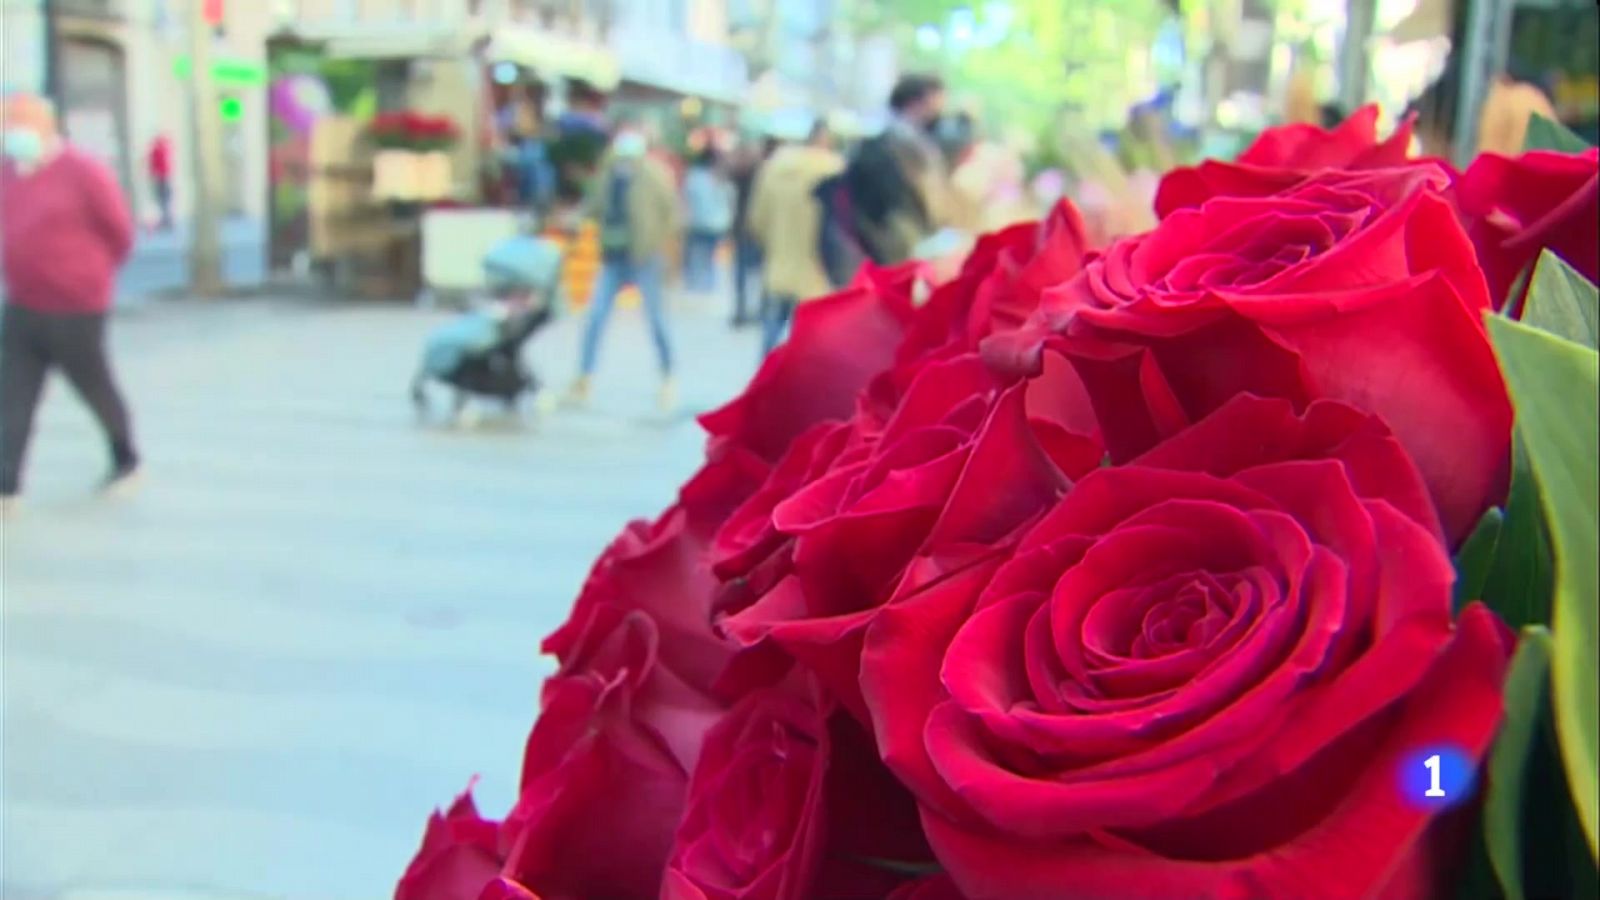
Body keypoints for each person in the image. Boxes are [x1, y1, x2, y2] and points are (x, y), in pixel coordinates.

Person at [1, 93, 140, 513]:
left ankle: (126, 459)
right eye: (8, 124)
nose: (12, 132)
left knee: (93, 385)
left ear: (47, 128)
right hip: (23, 303)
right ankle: (7, 485)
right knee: (12, 394)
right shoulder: (7, 174)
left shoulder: (83, 172)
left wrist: (89, 276)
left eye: (20, 124)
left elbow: (119, 232)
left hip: (76, 306)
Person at [566, 122, 681, 411]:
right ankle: (584, 376)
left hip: (644, 257)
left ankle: (668, 377)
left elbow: (672, 214)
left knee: (656, 320)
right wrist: (573, 221)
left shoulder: (655, 176)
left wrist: (659, 247)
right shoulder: (607, 177)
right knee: (596, 317)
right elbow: (593, 207)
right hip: (613, 256)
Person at [816, 73, 950, 286]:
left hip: (895, 254)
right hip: (887, 256)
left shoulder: (910, 145)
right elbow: (885, 215)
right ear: (916, 102)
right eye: (935, 102)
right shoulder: (888, 149)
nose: (940, 110)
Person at [748, 119, 845, 353]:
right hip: (818, 272)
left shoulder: (775, 167)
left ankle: (765, 385)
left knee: (771, 334)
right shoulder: (836, 169)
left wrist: (772, 247)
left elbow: (757, 219)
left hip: (780, 267)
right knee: (811, 343)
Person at [728, 137, 775, 327]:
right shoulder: (753, 174)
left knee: (755, 274)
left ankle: (753, 309)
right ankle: (747, 309)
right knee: (747, 273)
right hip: (746, 230)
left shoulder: (759, 174)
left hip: (752, 230)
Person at [681, 145, 734, 296]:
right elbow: (728, 199)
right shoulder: (721, 178)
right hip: (716, 223)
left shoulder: (693, 177)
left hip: (697, 222)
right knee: (710, 254)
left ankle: (694, 283)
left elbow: (686, 198)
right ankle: (708, 283)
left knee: (696, 254)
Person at [147, 134, 173, 231]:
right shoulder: (165, 149)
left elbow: (154, 164)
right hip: (165, 176)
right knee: (165, 200)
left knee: (162, 200)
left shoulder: (157, 150)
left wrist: (152, 174)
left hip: (160, 177)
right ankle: (167, 220)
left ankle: (166, 220)